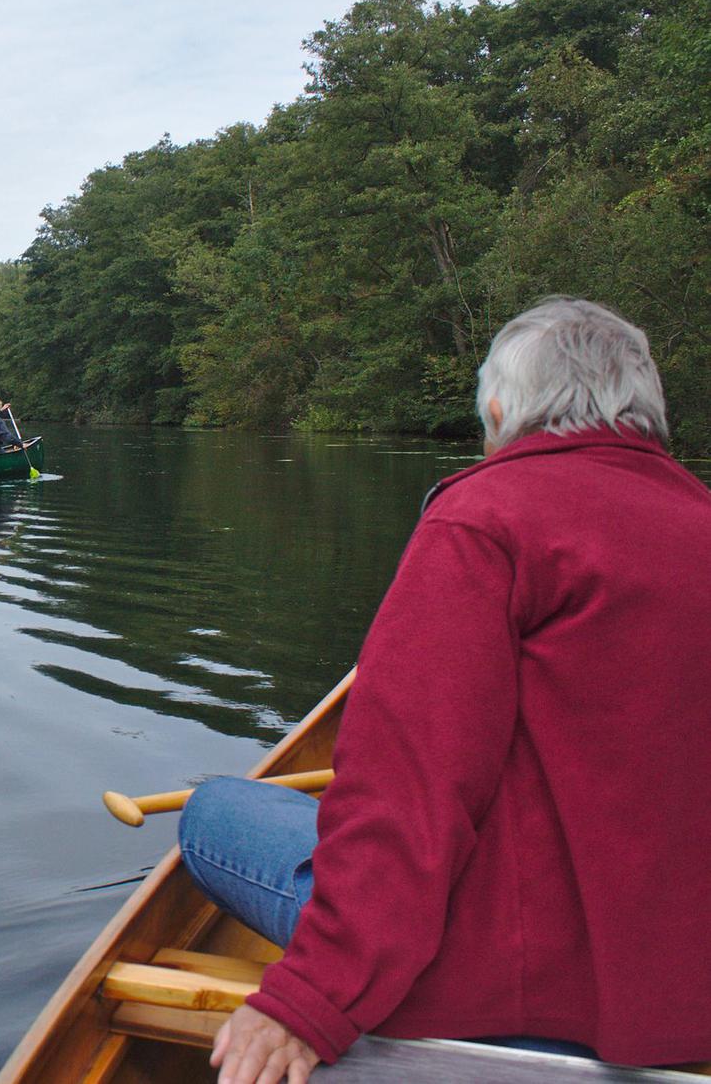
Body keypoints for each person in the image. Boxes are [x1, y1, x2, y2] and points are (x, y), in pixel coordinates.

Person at [179, 298, 711, 1084]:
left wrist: (309, 996)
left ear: (498, 414)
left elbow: (408, 792)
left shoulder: (485, 519)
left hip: (516, 985)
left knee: (214, 813)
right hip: (678, 989)